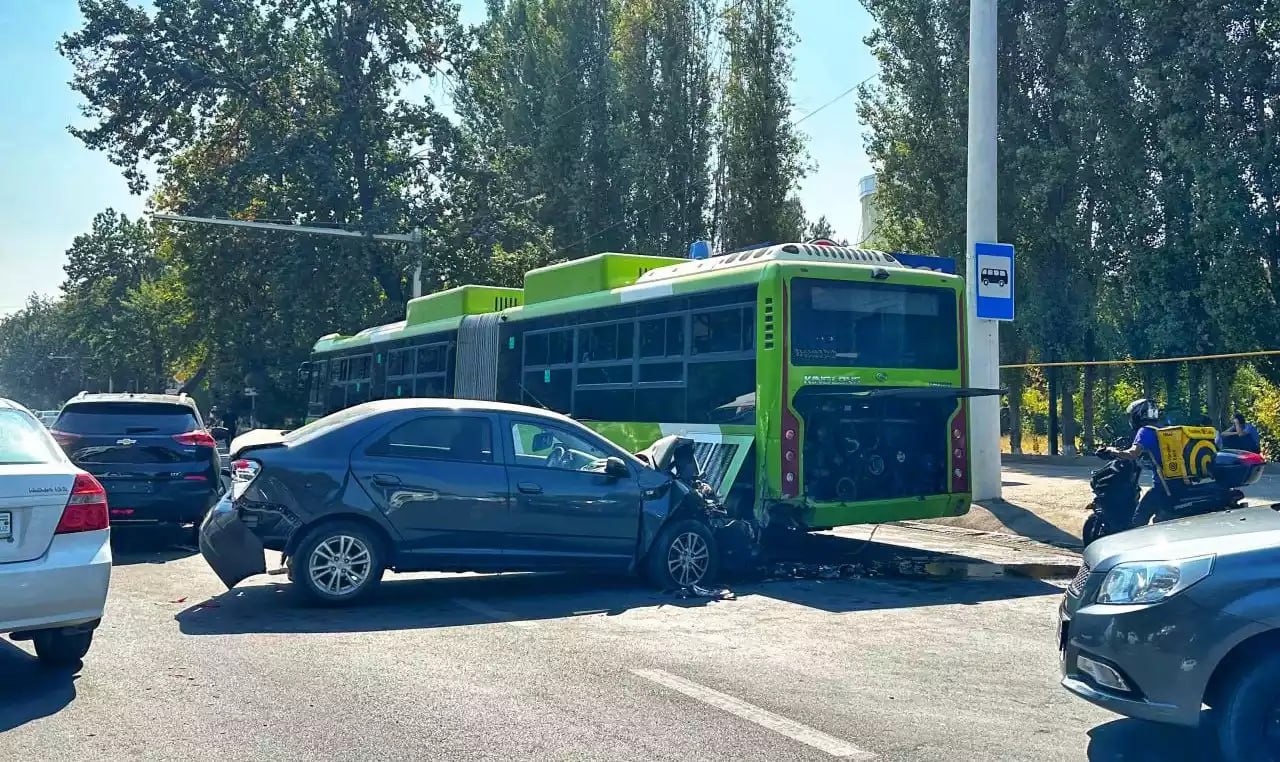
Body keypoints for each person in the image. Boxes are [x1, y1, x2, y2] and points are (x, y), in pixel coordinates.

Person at [1101, 398, 1168, 527]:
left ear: (1137, 414)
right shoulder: (1162, 428)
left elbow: (1132, 454)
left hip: (1162, 486)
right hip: (1176, 483)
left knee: (1137, 520)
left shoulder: (1145, 431)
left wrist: (1112, 450)